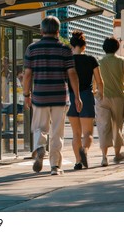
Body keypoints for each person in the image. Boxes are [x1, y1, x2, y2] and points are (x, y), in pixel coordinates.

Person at [23, 16, 82, 176]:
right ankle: (55, 166)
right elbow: (72, 73)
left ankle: (40, 148)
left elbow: (27, 74)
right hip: (60, 97)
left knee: (39, 127)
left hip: (40, 96)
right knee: (57, 132)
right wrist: (77, 96)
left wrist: (26, 94)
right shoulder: (65, 49)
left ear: (41, 31)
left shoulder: (32, 48)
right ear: (57, 31)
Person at [67, 30, 104, 170]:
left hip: (71, 97)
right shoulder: (91, 59)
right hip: (87, 97)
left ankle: (78, 162)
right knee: (88, 133)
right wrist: (101, 94)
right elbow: (99, 81)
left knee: (76, 133)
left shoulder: (68, 61)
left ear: (72, 46)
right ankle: (85, 151)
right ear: (84, 46)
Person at [95, 37, 124, 166]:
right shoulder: (121, 61)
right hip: (118, 97)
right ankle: (117, 154)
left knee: (103, 126)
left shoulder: (99, 61)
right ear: (117, 47)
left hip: (101, 96)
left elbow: (94, 80)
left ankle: (104, 157)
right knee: (117, 126)